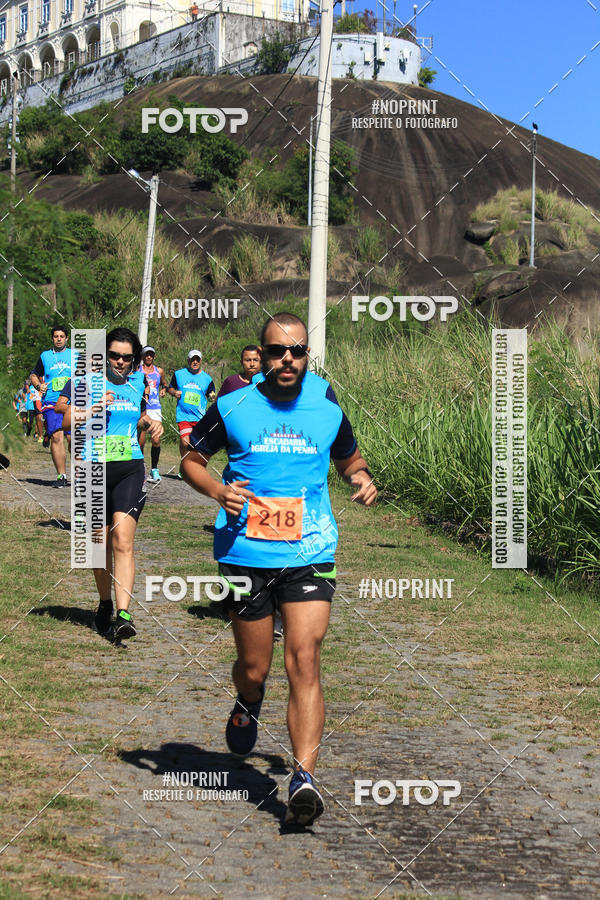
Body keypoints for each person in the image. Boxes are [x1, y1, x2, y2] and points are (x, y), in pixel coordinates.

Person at [181, 312, 377, 827]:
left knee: (304, 659)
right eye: (276, 351)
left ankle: (303, 779)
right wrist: (217, 490)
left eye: (296, 351)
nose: (286, 359)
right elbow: (191, 460)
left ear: (307, 355)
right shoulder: (234, 405)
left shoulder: (327, 404)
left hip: (310, 550)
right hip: (245, 552)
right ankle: (248, 700)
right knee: (255, 668)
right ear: (262, 355)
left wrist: (361, 478)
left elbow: (349, 458)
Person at [56, 327, 163, 641]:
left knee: (123, 541)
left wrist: (150, 424)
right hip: (93, 470)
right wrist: (93, 408)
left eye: (126, 357)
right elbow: (64, 421)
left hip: (130, 468)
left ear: (134, 360)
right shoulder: (88, 382)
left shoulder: (138, 383)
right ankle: (105, 603)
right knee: (98, 543)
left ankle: (124, 614)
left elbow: (138, 418)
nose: (119, 361)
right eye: (114, 355)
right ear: (105, 355)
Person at [30, 326, 73, 487]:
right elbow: (34, 374)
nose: (59, 339)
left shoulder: (75, 355)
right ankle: (61, 476)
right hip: (52, 402)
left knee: (73, 439)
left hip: (72, 402)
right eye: (56, 336)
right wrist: (38, 385)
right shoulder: (45, 356)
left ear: (67, 338)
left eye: (62, 336)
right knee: (56, 436)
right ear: (52, 338)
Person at [167, 350, 216, 457]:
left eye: (197, 360)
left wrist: (212, 397)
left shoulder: (207, 379)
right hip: (183, 416)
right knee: (186, 442)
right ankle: (185, 462)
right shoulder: (179, 374)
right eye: (192, 359)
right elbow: (170, 388)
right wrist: (174, 392)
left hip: (199, 417)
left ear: (200, 361)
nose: (195, 362)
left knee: (195, 445)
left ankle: (186, 464)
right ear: (188, 360)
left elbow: (211, 394)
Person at [138, 346, 168, 483]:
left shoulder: (159, 371)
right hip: (142, 407)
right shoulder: (137, 370)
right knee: (141, 441)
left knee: (156, 440)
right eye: (146, 355)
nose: (148, 357)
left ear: (154, 356)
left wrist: (164, 390)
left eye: (151, 355)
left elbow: (165, 384)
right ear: (142, 357)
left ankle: (154, 469)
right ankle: (140, 468)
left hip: (155, 407)